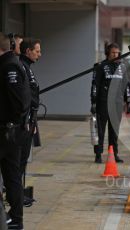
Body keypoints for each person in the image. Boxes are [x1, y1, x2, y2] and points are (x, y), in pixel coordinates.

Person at [0, 32, 31, 230]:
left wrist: (12, 123)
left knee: (11, 176)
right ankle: (14, 218)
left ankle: (16, 218)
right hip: (10, 131)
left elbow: (18, 102)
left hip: (8, 132)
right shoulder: (8, 63)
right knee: (11, 175)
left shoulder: (9, 65)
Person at [91, 42, 124, 164]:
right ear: (107, 54)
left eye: (117, 53)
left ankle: (114, 154)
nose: (116, 55)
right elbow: (95, 85)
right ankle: (98, 155)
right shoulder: (100, 66)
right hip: (103, 103)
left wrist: (128, 101)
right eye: (113, 53)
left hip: (117, 104)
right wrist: (93, 103)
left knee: (114, 131)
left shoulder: (122, 67)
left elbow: (125, 86)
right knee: (100, 131)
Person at [19, 38, 41, 207]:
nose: (39, 54)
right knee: (19, 160)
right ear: (28, 51)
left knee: (24, 159)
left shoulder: (28, 68)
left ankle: (18, 193)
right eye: (37, 51)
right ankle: (17, 196)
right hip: (23, 122)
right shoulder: (22, 67)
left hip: (30, 119)